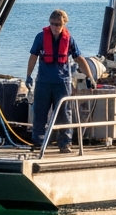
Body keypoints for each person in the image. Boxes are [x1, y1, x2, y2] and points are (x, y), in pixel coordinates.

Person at [25, 9, 96, 154]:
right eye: (52, 24)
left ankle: (65, 143)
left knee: (65, 113)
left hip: (62, 82)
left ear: (64, 24)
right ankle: (38, 142)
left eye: (58, 24)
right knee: (40, 112)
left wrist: (90, 76)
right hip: (43, 81)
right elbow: (33, 56)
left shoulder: (69, 39)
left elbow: (79, 58)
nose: (55, 27)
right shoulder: (40, 37)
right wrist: (28, 75)